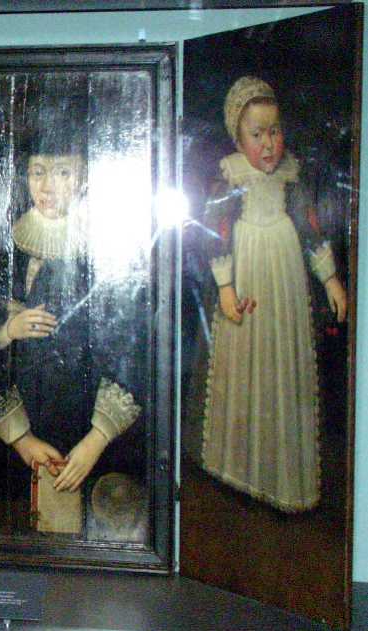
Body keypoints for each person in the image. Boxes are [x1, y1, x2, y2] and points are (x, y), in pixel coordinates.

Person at [200, 76, 348, 512]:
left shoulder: (291, 174)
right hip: (245, 269)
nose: (268, 144)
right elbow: (216, 230)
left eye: (274, 131)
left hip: (284, 271)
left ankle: (281, 475)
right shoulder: (230, 173)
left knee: (283, 361)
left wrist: (330, 278)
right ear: (238, 138)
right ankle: (240, 468)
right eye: (256, 134)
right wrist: (225, 286)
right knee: (245, 362)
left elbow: (309, 225)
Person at [0, 130, 142, 503]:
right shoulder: (11, 246)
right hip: (21, 425)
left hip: (85, 427)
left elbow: (129, 350)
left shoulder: (103, 249)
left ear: (83, 177)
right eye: (38, 172)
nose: (48, 187)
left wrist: (95, 441)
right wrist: (8, 330)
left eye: (63, 173)